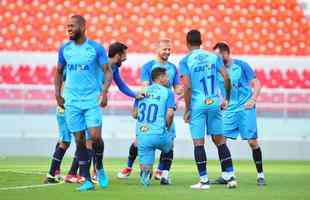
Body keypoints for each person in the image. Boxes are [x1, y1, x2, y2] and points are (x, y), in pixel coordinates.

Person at [55, 15, 112, 191]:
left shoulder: (95, 48)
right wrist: (57, 93)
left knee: (95, 137)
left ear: (83, 26)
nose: (69, 29)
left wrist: (104, 92)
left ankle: (99, 166)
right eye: (67, 26)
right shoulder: (64, 49)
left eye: (72, 26)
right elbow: (58, 72)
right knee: (79, 140)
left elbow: (108, 71)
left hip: (90, 100)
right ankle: (86, 179)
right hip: (71, 101)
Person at [117, 39, 182, 184]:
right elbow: (145, 87)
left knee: (165, 141)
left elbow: (177, 88)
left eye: (169, 49)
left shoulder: (173, 68)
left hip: (165, 106)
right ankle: (129, 166)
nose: (167, 52)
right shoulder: (148, 66)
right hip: (156, 107)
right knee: (140, 142)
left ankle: (159, 172)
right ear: (157, 49)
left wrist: (185, 91)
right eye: (165, 49)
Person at [179, 30, 236, 189]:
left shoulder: (185, 61)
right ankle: (229, 176)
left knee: (198, 143)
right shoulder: (213, 57)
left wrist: (187, 109)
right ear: (201, 41)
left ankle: (204, 180)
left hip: (198, 105)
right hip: (214, 103)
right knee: (220, 141)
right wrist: (226, 98)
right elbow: (226, 77)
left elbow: (188, 86)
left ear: (187, 43)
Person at [211, 42, 266, 186]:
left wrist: (253, 99)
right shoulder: (216, 70)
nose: (214, 58)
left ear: (225, 54)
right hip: (228, 110)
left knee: (252, 142)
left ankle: (260, 175)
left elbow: (257, 83)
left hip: (245, 108)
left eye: (216, 55)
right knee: (219, 139)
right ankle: (227, 174)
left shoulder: (241, 65)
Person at [133, 67, 176, 187]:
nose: (168, 79)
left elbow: (134, 114)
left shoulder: (142, 91)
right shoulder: (167, 92)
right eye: (167, 76)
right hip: (159, 133)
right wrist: (167, 127)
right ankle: (165, 175)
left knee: (146, 162)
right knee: (170, 146)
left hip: (142, 134)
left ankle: (145, 176)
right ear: (161, 78)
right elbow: (170, 113)